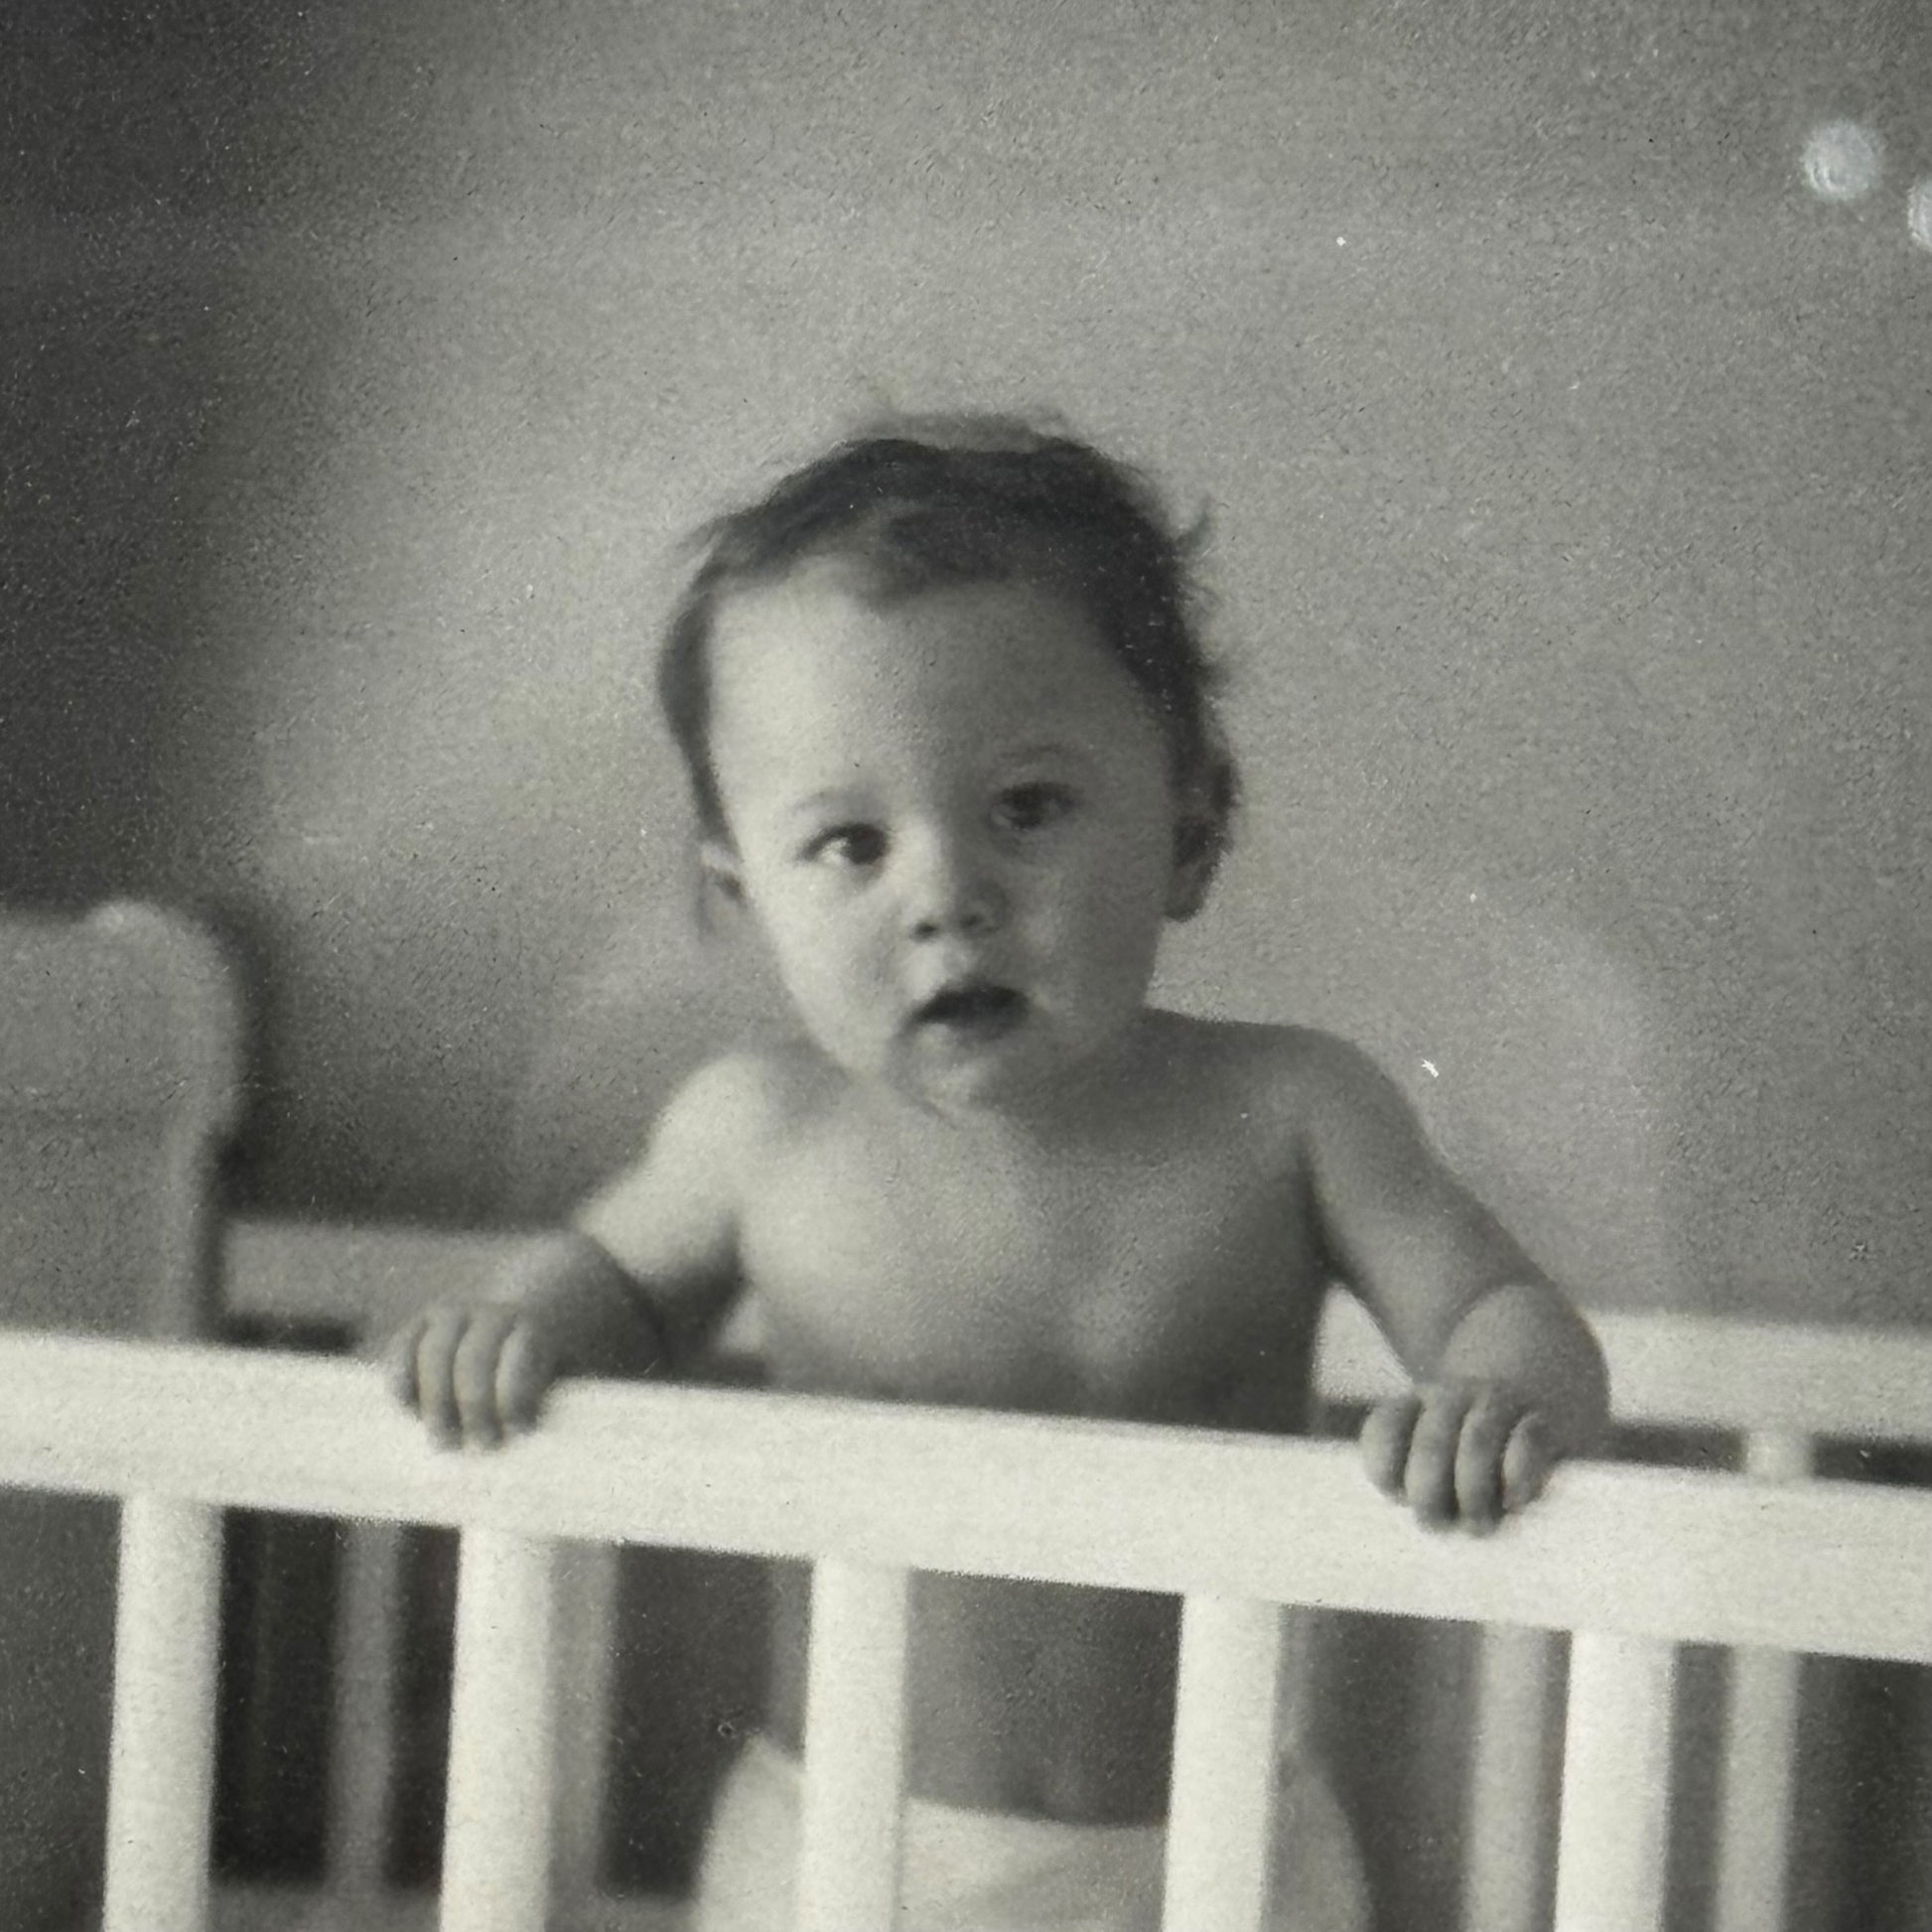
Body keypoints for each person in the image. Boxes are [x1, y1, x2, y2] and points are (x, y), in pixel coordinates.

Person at [388, 415, 1610, 1931]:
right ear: (742, 894)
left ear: (1189, 823)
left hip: (1218, 1855)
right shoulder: (757, 1134)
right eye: (846, 843)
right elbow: (608, 1285)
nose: (946, 898)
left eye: (1025, 808)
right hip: (839, 1851)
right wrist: (514, 1324)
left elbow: (1495, 1302)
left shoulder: (1293, 1110)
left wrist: (1499, 1394)